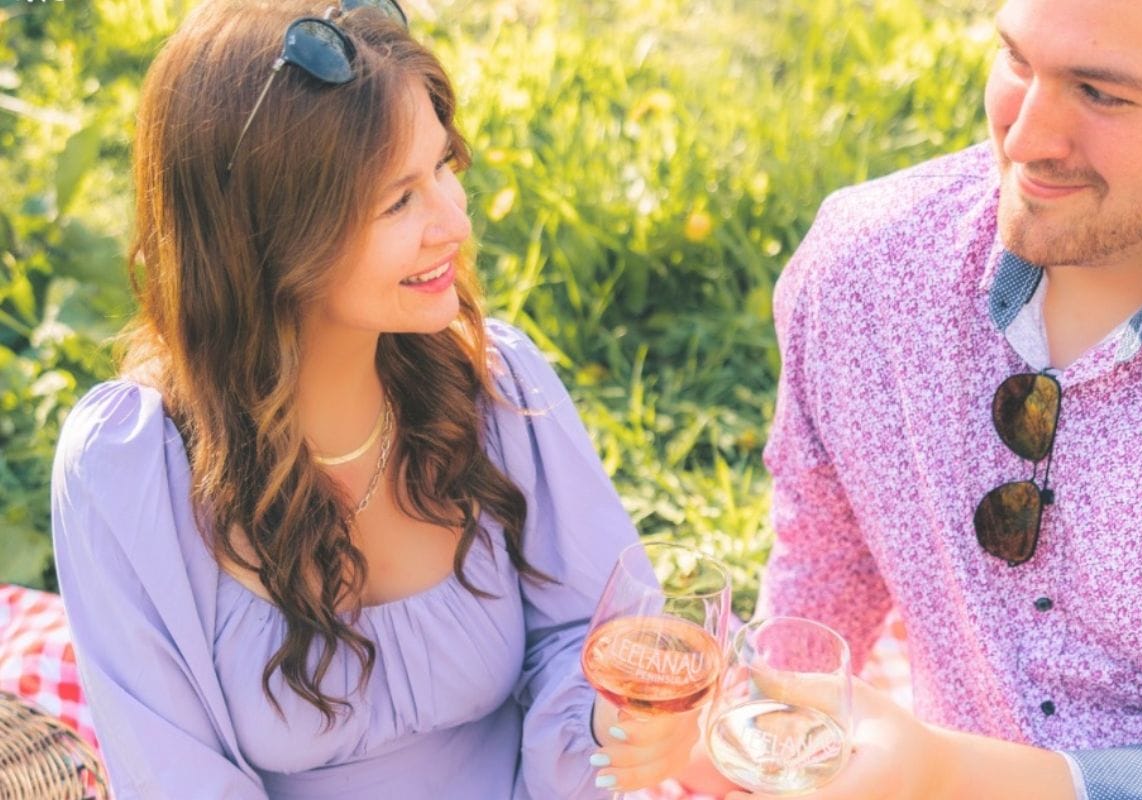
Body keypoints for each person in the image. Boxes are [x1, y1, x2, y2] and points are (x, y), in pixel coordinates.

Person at [49, 1, 698, 796]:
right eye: (399, 201)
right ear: (268, 232)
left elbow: (588, 631)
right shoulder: (129, 468)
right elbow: (175, 775)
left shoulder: (497, 387)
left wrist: (607, 725)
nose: (453, 223)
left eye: (445, 168)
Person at [724, 0, 1142, 797]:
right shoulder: (865, 267)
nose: (1024, 140)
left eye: (1101, 93)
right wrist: (769, 740)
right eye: (1017, 60)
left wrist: (945, 775)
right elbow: (822, 564)